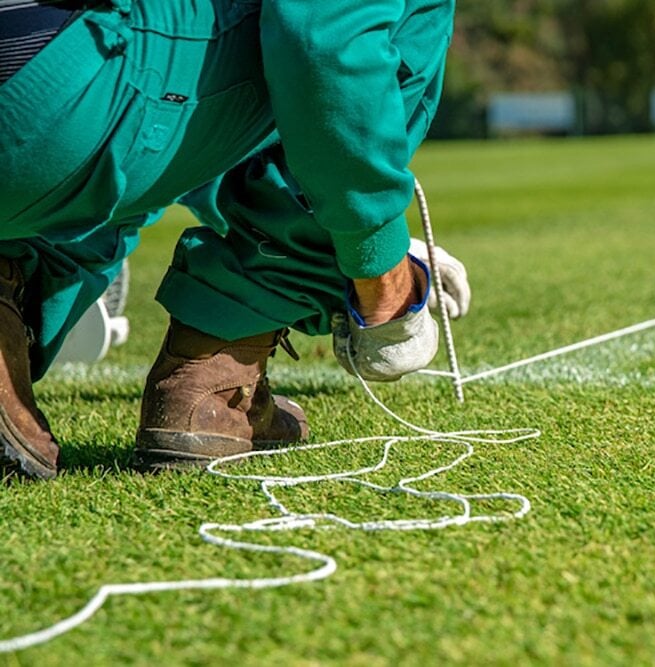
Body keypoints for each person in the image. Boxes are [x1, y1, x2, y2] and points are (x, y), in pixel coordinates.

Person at [0, 0, 469, 480]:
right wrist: (381, 271)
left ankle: (8, 285)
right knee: (398, 16)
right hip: (47, 98)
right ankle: (215, 368)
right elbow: (324, 44)